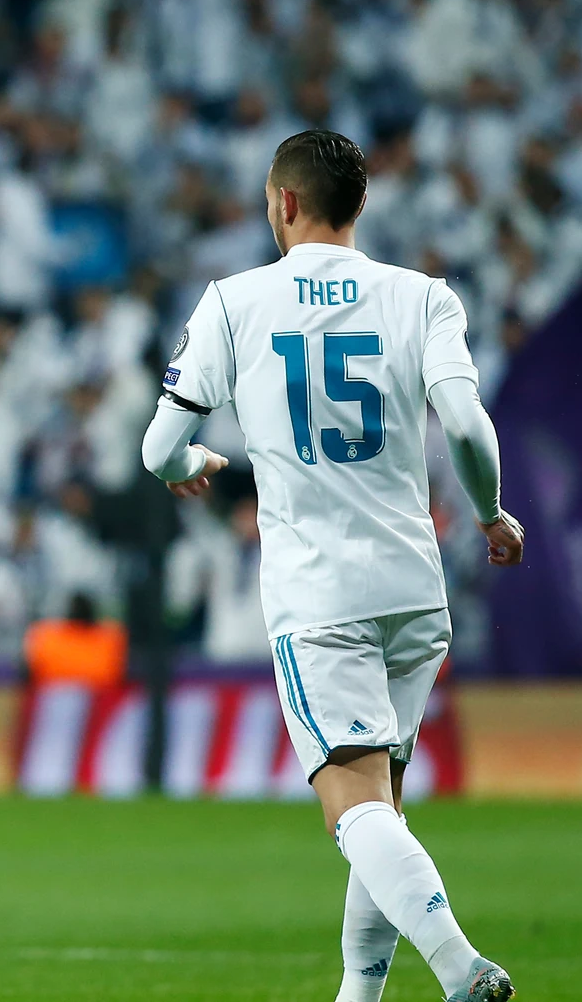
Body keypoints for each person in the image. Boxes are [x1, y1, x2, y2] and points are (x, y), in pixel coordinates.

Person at [142, 129, 522, 1002]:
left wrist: (189, 465)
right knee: (381, 805)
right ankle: (359, 995)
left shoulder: (234, 302)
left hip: (320, 595)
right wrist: (492, 513)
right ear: (358, 205)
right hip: (414, 591)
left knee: (353, 811)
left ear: (282, 202)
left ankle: (462, 969)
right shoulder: (424, 296)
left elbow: (160, 444)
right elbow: (465, 427)